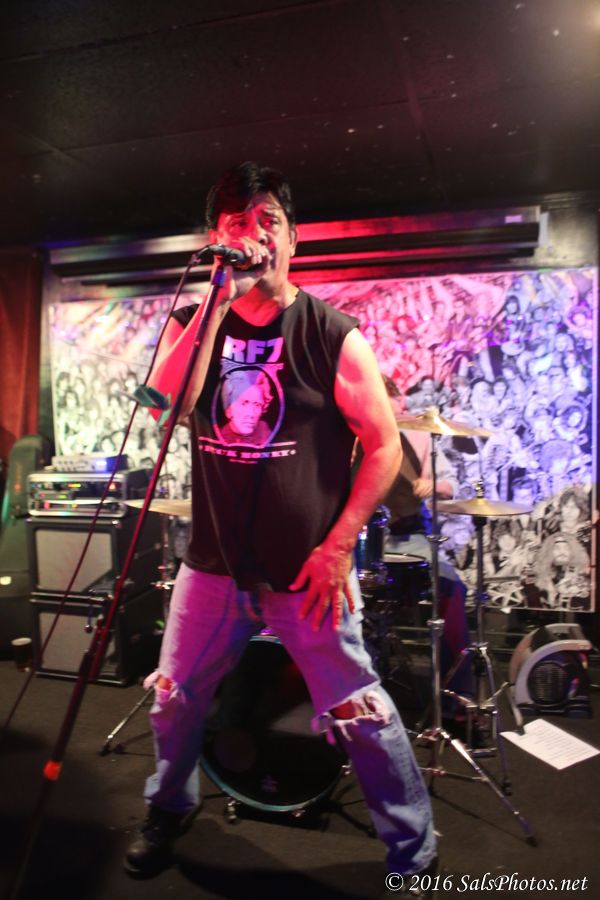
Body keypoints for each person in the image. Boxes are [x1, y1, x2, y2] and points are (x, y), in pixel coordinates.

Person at [124, 162, 437, 893]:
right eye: (237, 222)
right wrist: (215, 303)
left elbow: (385, 446)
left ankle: (415, 855)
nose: (254, 235)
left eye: (268, 221)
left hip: (306, 571)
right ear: (214, 238)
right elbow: (166, 407)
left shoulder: (330, 333)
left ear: (294, 239)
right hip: (214, 565)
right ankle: (168, 808)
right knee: (173, 698)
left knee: (362, 713)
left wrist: (340, 546)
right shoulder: (193, 325)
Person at [380, 377, 473, 709]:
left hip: (412, 539)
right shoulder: (351, 440)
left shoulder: (419, 436)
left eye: (397, 410)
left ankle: (456, 697)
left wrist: (432, 485)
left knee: (452, 590)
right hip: (367, 542)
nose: (394, 417)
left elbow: (450, 485)